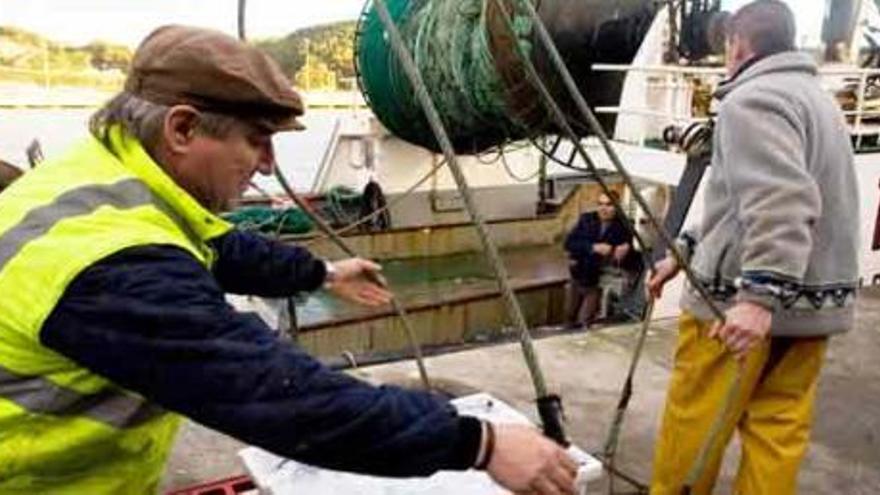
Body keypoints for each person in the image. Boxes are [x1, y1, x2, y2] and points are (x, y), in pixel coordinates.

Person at [0, 25, 578, 494]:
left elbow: (221, 246)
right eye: (257, 140)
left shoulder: (103, 175)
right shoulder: (111, 263)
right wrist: (481, 444)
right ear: (182, 128)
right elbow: (281, 398)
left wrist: (323, 272)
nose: (269, 164)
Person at [646, 2, 860, 494]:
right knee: (777, 432)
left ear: (738, 45)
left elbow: (780, 199)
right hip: (811, 307)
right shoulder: (818, 100)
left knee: (693, 428)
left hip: (734, 310)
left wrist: (758, 299)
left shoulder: (751, 101)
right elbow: (736, 203)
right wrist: (681, 253)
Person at [564, 192, 635, 326]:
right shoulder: (587, 219)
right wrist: (593, 247)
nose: (604, 209)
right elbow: (569, 243)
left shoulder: (624, 226)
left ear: (617, 207)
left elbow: (634, 257)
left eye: (608, 205)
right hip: (578, 274)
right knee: (568, 315)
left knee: (585, 319)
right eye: (600, 204)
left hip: (597, 281)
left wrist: (627, 247)